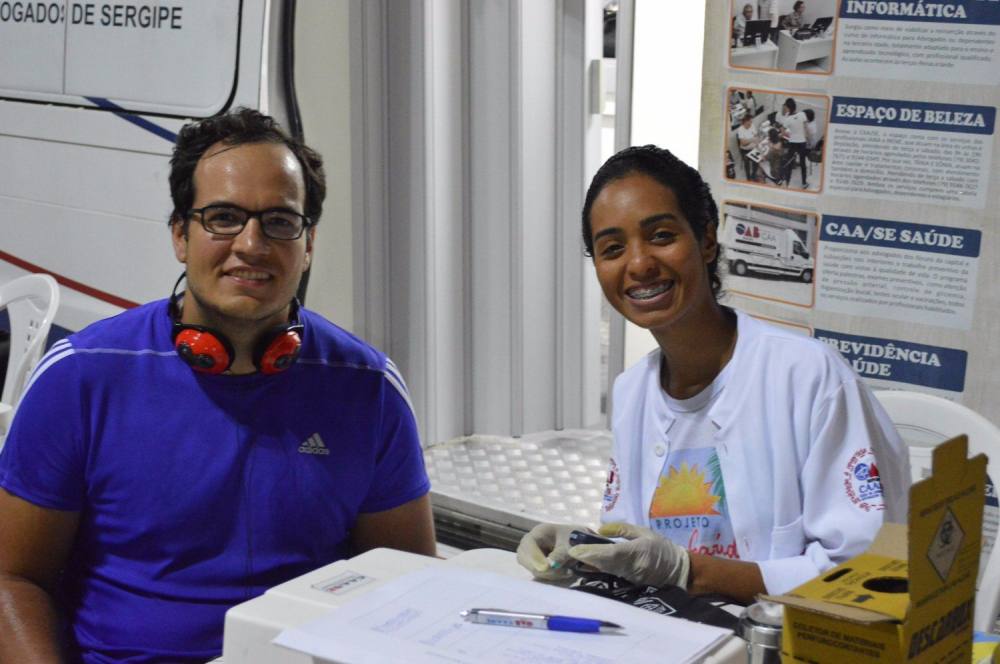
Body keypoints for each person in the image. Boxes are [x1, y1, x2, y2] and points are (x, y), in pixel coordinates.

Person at [0, 108, 436, 662]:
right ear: (180, 235)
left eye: (280, 221)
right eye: (223, 217)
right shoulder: (82, 377)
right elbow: (13, 579)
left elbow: (407, 583)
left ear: (308, 244)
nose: (251, 244)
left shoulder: (367, 388)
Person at [516, 145, 908, 604]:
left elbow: (865, 574)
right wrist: (582, 552)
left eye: (661, 236)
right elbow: (635, 546)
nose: (639, 264)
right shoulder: (632, 391)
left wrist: (689, 572)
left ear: (706, 239)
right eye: (613, 249)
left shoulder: (807, 376)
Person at [779, 97, 810, 189]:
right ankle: (804, 183)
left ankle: (787, 183)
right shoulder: (802, 114)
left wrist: (788, 134)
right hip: (802, 142)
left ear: (788, 108)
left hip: (792, 143)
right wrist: (807, 139)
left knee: (789, 163)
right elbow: (806, 129)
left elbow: (782, 132)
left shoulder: (787, 119)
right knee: (803, 163)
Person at [735, 114, 758, 180]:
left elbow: (756, 135)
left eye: (751, 121)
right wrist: (752, 139)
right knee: (746, 162)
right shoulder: (740, 129)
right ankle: (748, 177)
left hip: (752, 147)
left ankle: (753, 175)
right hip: (744, 150)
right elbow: (743, 143)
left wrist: (752, 140)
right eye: (750, 122)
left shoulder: (752, 126)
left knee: (757, 160)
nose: (751, 123)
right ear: (745, 121)